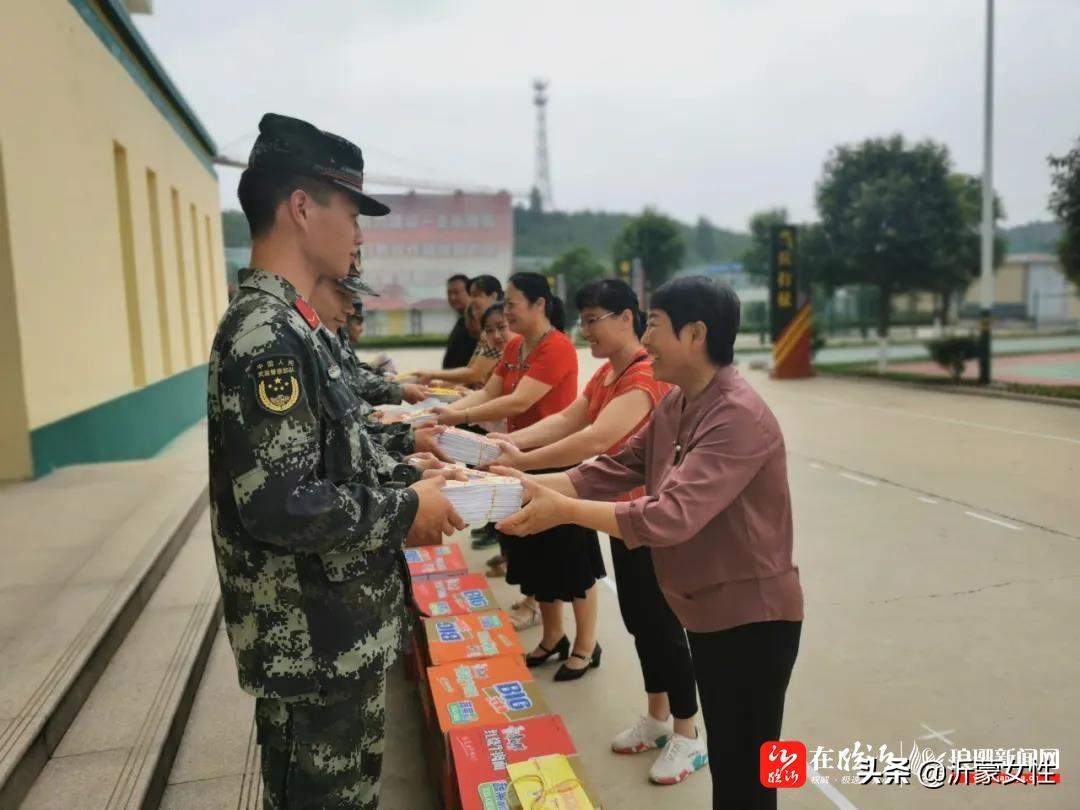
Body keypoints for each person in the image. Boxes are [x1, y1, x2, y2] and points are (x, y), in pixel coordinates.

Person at [206, 113, 465, 810]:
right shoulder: (268, 336)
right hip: (310, 648)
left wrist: (414, 477)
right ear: (300, 207)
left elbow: (335, 458)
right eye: (351, 212)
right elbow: (284, 504)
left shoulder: (296, 328)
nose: (358, 233)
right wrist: (411, 510)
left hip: (333, 639)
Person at [495, 277, 804, 809]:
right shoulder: (680, 402)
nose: (647, 336)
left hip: (753, 619)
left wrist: (563, 511)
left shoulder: (737, 415)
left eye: (655, 324)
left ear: (696, 333)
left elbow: (671, 516)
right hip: (711, 611)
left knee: (747, 774)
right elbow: (617, 466)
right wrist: (517, 485)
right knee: (734, 766)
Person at [488, 278, 705, 782]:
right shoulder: (609, 373)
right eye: (582, 320)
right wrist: (515, 451)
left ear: (627, 319)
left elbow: (597, 438)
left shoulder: (646, 377)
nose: (585, 330)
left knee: (663, 627)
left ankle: (688, 734)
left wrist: (528, 464)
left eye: (593, 320)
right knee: (638, 621)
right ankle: (656, 718)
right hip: (619, 518)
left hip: (654, 522)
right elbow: (571, 417)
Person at [437, 273, 608, 679]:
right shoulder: (514, 346)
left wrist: (460, 415)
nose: (506, 310)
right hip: (518, 460)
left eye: (512, 303)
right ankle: (552, 637)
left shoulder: (558, 347)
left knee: (572, 560)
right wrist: (451, 415)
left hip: (555, 464)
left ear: (539, 305)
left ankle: (586, 644)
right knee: (535, 557)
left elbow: (521, 398)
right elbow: (492, 393)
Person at [413, 275, 504, 388]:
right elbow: (470, 372)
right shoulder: (487, 333)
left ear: (493, 296)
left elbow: (474, 375)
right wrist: (438, 385)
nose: (472, 300)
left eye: (476, 295)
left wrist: (432, 375)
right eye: (471, 295)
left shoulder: (500, 334)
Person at [441, 274, 476, 368]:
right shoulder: (461, 320)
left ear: (470, 293)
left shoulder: (478, 323)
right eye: (449, 293)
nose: (452, 297)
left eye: (456, 293)